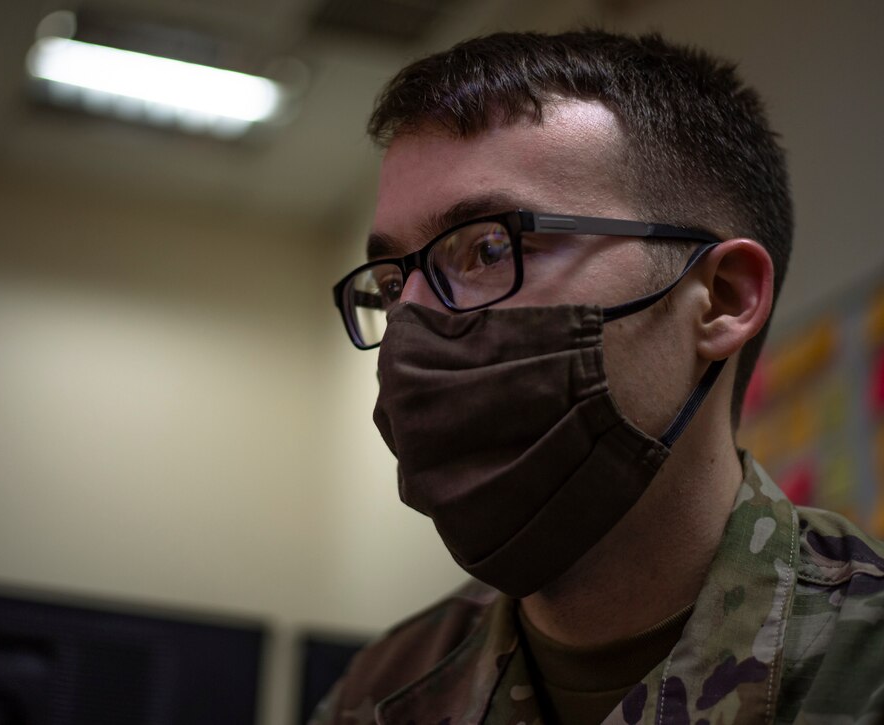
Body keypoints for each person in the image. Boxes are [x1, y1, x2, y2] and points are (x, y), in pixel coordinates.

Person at [314, 30, 884, 725]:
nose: (411, 321)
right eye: (391, 278)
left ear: (725, 297)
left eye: (489, 247)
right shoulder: (379, 692)